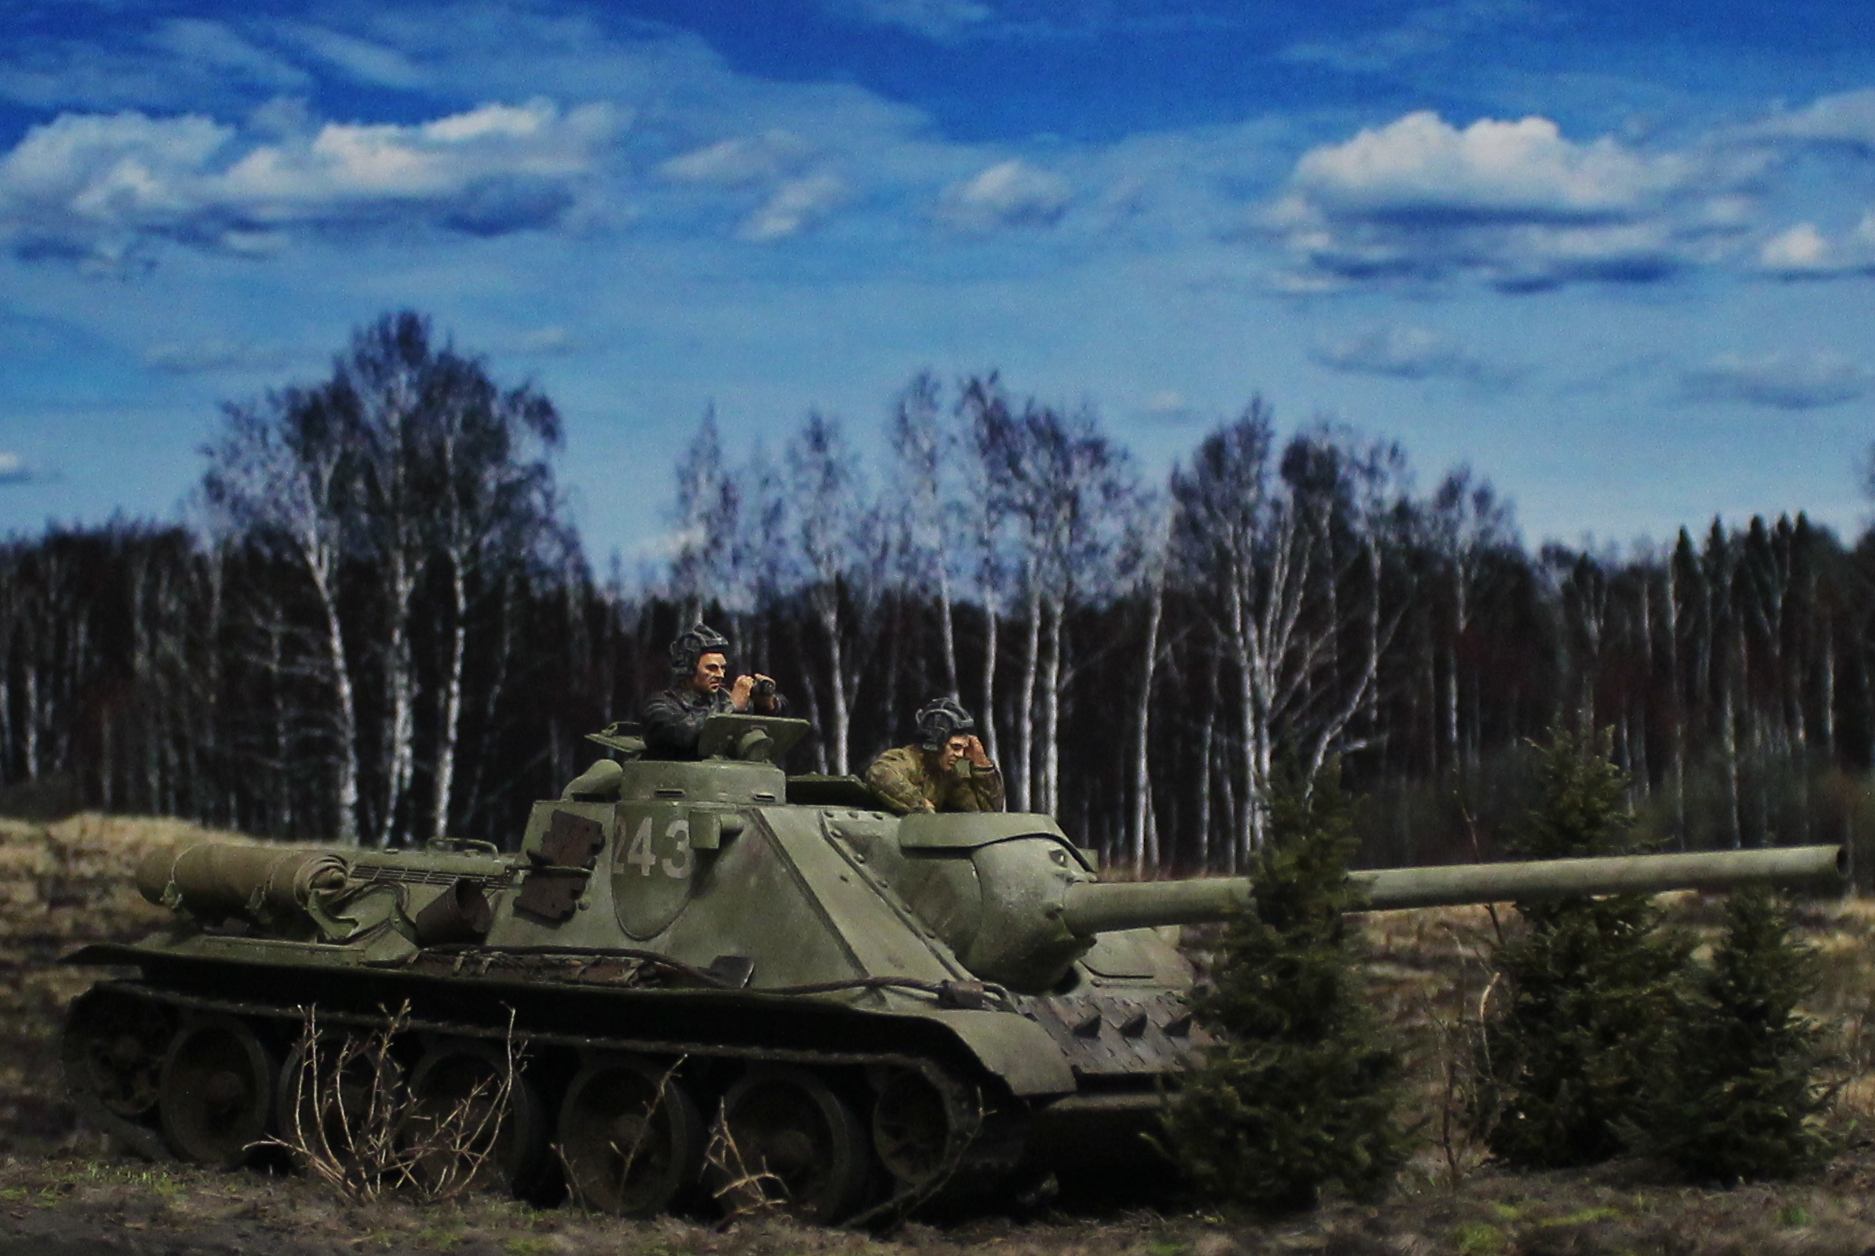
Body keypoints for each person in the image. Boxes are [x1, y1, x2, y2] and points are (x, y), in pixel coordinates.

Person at [640, 623, 785, 759]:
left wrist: (767, 705)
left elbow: (780, 721)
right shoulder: (661, 705)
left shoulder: (723, 697)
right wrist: (731, 706)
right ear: (689, 668)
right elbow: (681, 733)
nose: (720, 675)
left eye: (723, 668)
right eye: (711, 668)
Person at [865, 698, 1005, 815]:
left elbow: (986, 813)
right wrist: (920, 805)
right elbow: (881, 774)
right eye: (955, 747)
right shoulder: (906, 759)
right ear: (936, 743)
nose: (960, 755)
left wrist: (982, 764)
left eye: (964, 748)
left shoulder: (946, 776)